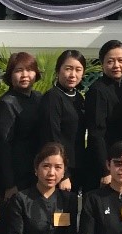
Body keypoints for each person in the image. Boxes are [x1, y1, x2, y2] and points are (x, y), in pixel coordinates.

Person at [36, 51, 87, 196]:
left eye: (78, 70)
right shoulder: (52, 98)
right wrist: (63, 174)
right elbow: (52, 136)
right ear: (58, 70)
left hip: (77, 166)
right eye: (68, 68)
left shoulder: (78, 98)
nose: (73, 75)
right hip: (60, 171)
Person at [0, 52, 40, 196]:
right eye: (18, 70)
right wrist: (9, 184)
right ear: (10, 75)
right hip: (14, 176)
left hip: (34, 172)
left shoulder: (38, 98)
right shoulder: (7, 103)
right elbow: (2, 146)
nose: (25, 75)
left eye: (30, 70)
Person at [85, 40, 122, 186]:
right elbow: (96, 133)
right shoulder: (97, 90)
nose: (116, 65)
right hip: (103, 163)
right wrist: (105, 170)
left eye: (121, 60)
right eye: (110, 61)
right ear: (102, 64)